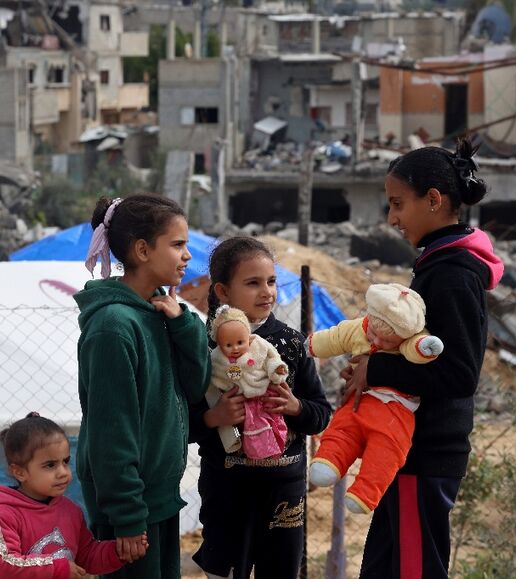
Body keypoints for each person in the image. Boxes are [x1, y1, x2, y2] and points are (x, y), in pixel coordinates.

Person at [343, 139, 504, 578]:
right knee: (382, 566)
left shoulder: (452, 275)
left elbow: (459, 373)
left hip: (426, 452)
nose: (392, 218)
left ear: (433, 201)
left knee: (414, 569)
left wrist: (376, 369)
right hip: (405, 449)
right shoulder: (438, 263)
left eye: (397, 204)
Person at [75, 195, 212, 579]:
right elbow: (110, 431)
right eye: (177, 244)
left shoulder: (159, 312)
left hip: (158, 499)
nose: (187, 256)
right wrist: (128, 516)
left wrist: (185, 324)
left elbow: (196, 386)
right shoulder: (113, 327)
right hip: (130, 510)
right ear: (141, 249)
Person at [189, 236, 332, 579]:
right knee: (224, 570)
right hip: (227, 488)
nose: (266, 291)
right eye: (252, 283)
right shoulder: (203, 350)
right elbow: (181, 423)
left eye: (271, 281)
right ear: (222, 291)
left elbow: (321, 414)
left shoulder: (291, 344)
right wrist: (213, 417)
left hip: (285, 487)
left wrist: (296, 407)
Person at [305, 283, 444, 515]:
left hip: (395, 410)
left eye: (387, 342)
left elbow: (415, 349)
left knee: (387, 450)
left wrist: (425, 347)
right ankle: (328, 462)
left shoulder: (408, 338)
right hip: (361, 399)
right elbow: (335, 336)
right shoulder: (359, 328)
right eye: (373, 335)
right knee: (343, 429)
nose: (377, 343)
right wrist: (309, 346)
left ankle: (365, 493)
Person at [0, 412, 127, 579]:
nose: (63, 472)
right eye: (50, 465)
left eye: (65, 461)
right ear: (19, 472)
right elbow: (5, 566)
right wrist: (58, 568)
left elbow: (85, 556)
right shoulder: (2, 515)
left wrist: (119, 551)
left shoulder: (70, 510)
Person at [208, 304, 289, 459]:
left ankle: (276, 449)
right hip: (242, 401)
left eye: (240, 342)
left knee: (273, 422)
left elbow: (272, 359)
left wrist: (277, 370)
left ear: (248, 335)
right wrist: (224, 388)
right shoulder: (217, 358)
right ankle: (257, 453)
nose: (235, 348)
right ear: (218, 343)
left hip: (265, 392)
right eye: (228, 345)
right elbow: (216, 377)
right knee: (253, 427)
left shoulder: (259, 345)